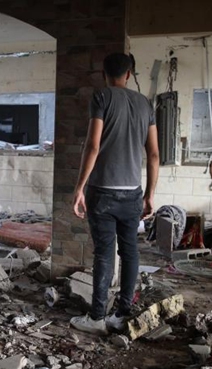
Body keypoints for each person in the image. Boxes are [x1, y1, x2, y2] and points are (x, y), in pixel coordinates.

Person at [69, 52, 159, 336]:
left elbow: (93, 146)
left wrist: (79, 187)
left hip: (102, 193)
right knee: (130, 252)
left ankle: (97, 317)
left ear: (103, 73)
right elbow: (154, 153)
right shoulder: (145, 103)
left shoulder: (102, 97)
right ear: (129, 74)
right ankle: (122, 315)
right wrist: (150, 195)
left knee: (104, 255)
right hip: (133, 192)